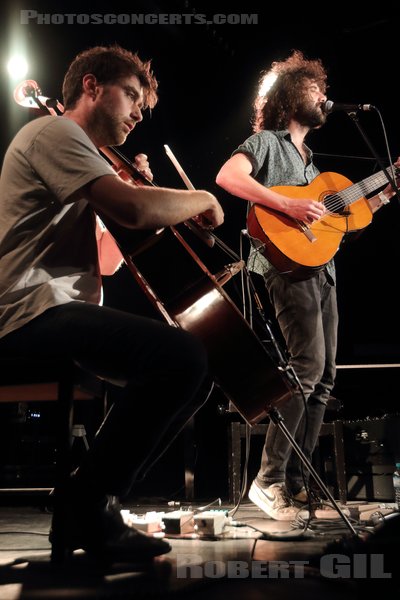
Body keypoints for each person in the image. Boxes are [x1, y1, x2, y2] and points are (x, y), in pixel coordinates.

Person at [0, 45, 224, 561]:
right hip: (29, 312)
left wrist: (120, 186)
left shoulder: (82, 159)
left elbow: (107, 261)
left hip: (61, 313)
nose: (140, 112)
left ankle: (87, 499)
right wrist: (200, 199)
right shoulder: (54, 133)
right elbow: (132, 210)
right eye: (131, 96)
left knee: (196, 371)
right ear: (91, 87)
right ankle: (86, 503)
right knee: (182, 357)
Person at [216, 50, 399, 520]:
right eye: (316, 89)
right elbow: (228, 177)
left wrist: (384, 192)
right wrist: (288, 205)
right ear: (292, 94)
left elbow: (345, 220)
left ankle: (297, 484)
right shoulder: (267, 143)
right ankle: (268, 479)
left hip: (323, 272)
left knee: (324, 379)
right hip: (285, 267)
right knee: (306, 367)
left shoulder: (315, 166)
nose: (325, 96)